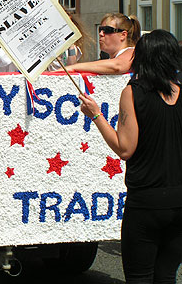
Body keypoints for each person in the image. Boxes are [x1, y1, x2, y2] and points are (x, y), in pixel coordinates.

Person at [80, 29, 182, 283]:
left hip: (146, 201)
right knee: (167, 276)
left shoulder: (133, 92)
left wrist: (95, 115)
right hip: (179, 201)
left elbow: (125, 148)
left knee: (139, 277)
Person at [63, 13, 141, 74]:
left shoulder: (132, 51)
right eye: (100, 29)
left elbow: (116, 66)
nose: (101, 33)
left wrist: (74, 67)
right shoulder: (112, 58)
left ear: (123, 35)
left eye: (107, 30)